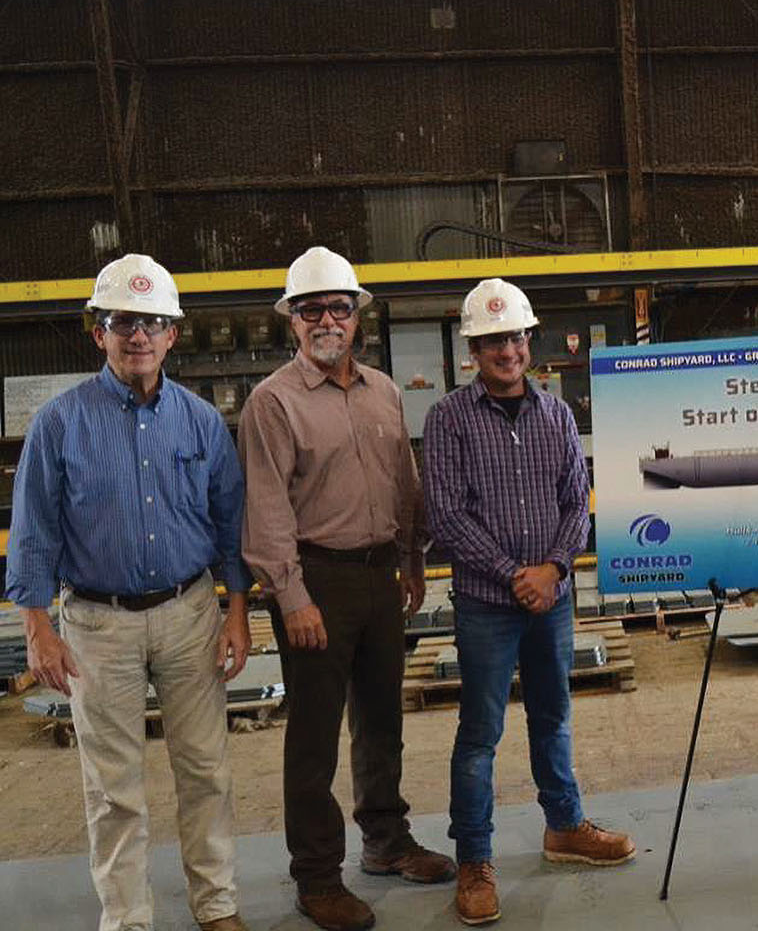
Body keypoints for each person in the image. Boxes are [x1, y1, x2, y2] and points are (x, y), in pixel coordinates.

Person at [6, 254, 253, 931]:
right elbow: (33, 530)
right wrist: (37, 626)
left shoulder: (202, 423)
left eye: (151, 323)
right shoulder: (60, 424)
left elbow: (230, 525)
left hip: (190, 614)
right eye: (123, 321)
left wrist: (236, 615)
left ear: (174, 334)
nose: (137, 335)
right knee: (113, 788)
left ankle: (217, 904)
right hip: (96, 623)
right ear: (99, 332)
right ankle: (127, 918)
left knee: (206, 770)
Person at [238, 247, 454, 931]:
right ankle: (317, 876)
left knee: (380, 720)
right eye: (311, 310)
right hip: (316, 579)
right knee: (313, 738)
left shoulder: (385, 391)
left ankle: (386, 842)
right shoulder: (272, 403)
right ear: (292, 322)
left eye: (339, 307)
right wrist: (292, 596)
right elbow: (267, 506)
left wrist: (412, 559)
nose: (327, 320)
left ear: (357, 317)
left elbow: (403, 482)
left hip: (379, 575)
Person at [423, 278, 635, 926]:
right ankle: (475, 861)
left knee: (554, 716)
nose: (505, 350)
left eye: (513, 337)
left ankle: (564, 826)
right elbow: (446, 515)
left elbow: (578, 502)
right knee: (480, 735)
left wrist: (551, 570)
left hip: (552, 598)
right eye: (491, 341)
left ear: (527, 341)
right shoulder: (448, 419)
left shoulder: (557, 416)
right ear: (474, 350)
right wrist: (517, 574)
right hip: (489, 604)